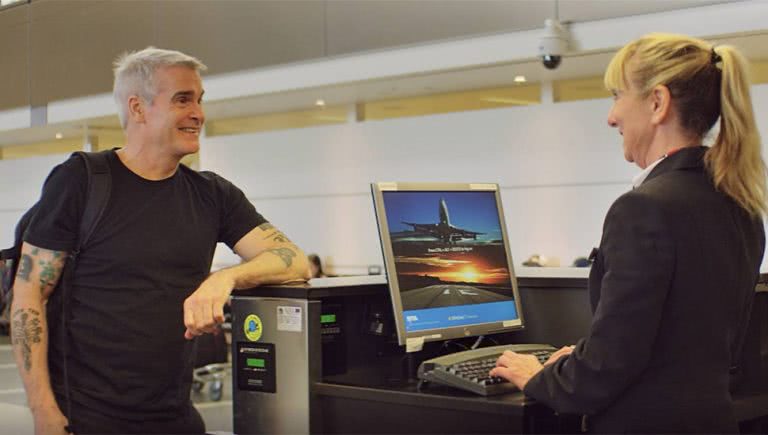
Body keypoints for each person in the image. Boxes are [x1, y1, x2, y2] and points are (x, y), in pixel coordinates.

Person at [10, 47, 310, 435]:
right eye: (182, 99)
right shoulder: (82, 180)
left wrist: (225, 279)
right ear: (137, 108)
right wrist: (43, 412)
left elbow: (293, 259)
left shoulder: (212, 194)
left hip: (175, 416)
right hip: (85, 418)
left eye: (199, 100)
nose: (198, 113)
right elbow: (29, 294)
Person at [490, 33, 766, 433]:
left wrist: (540, 375)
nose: (611, 116)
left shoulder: (644, 208)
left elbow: (608, 366)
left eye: (618, 95)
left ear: (657, 103)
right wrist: (581, 358)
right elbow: (681, 343)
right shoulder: (740, 204)